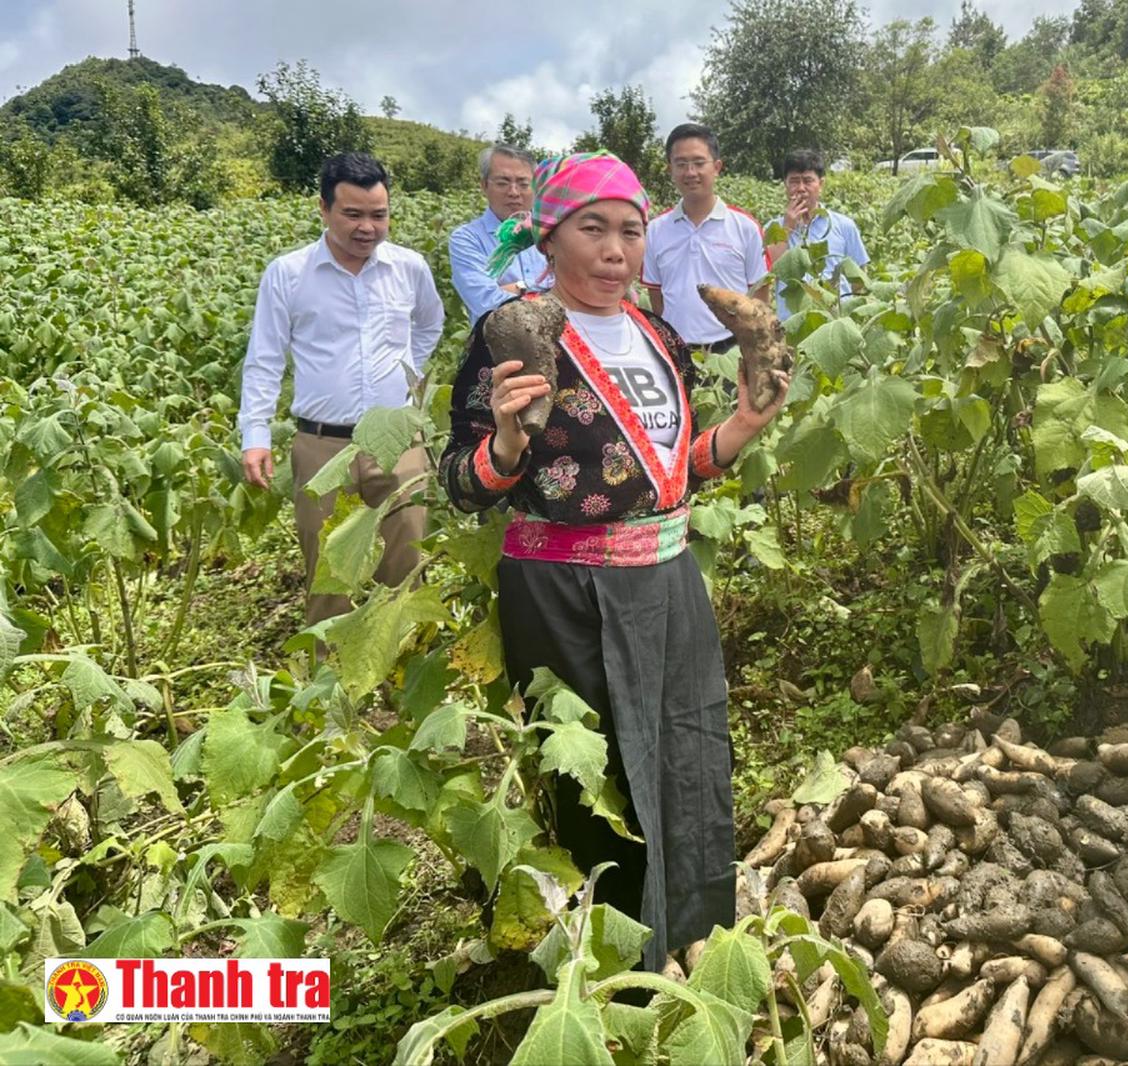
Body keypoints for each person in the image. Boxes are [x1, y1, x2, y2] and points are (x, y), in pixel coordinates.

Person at [438, 152, 789, 972]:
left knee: (685, 752)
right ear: (548, 238)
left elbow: (667, 475)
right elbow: (462, 481)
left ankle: (689, 936)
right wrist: (508, 440)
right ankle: (609, 967)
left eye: (630, 231)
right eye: (591, 229)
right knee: (598, 784)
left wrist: (741, 426)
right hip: (566, 593)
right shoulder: (512, 334)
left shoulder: (658, 335)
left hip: (667, 579)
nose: (614, 250)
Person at [240, 152, 444, 624]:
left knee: (406, 570)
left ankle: (404, 664)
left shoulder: (409, 268)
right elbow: (265, 358)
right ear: (323, 209)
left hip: (399, 442)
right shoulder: (289, 274)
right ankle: (330, 670)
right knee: (328, 576)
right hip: (323, 446)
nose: (367, 228)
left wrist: (406, 371)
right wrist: (256, 435)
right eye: (352, 214)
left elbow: (430, 323)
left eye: (379, 215)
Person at [641, 123, 770, 353]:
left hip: (733, 349)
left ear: (717, 167)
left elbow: (760, 295)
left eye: (699, 163)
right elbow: (656, 296)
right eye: (681, 164)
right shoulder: (655, 230)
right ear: (670, 169)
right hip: (677, 349)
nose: (691, 172)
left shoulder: (745, 227)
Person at [450, 144, 550, 326]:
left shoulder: (552, 233)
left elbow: (576, 289)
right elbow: (487, 302)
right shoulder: (467, 238)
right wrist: (545, 291)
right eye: (503, 183)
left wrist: (518, 288)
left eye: (523, 184)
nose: (514, 192)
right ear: (484, 185)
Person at [764, 148, 870, 320]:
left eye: (808, 181)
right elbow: (771, 271)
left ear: (821, 184)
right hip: (792, 323)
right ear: (785, 185)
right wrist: (787, 227)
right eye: (794, 181)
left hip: (834, 321)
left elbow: (859, 279)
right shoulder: (772, 228)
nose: (801, 188)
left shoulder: (843, 225)